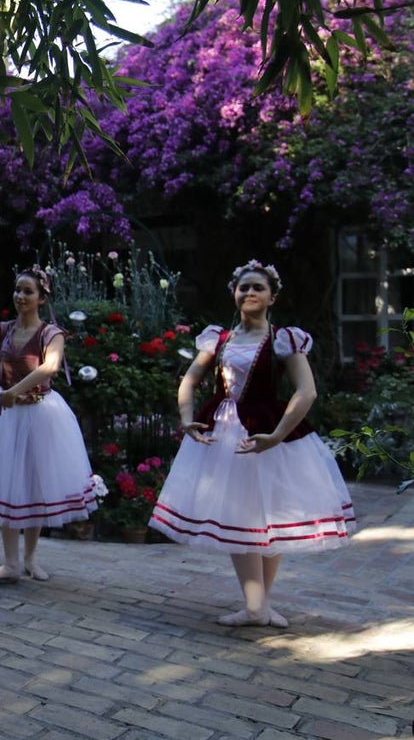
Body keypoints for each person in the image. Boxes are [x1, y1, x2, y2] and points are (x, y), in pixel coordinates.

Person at [149, 259, 355, 627]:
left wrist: (277, 435)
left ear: (272, 297)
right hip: (223, 434)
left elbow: (306, 391)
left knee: (270, 517)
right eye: (243, 287)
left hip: (265, 432)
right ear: (234, 293)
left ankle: (258, 606)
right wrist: (186, 418)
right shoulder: (219, 339)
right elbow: (190, 380)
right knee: (239, 515)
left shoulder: (283, 339)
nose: (249, 292)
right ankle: (257, 606)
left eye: (258, 287)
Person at [0, 266, 100, 584]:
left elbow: (50, 367)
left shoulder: (51, 333)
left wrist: (14, 391)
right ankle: (11, 563)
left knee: (34, 482)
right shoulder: (2, 330)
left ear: (41, 298)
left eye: (28, 291)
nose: (20, 296)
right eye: (18, 290)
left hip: (40, 413)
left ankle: (31, 558)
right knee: (7, 483)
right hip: (5, 416)